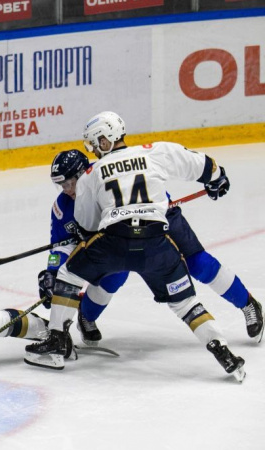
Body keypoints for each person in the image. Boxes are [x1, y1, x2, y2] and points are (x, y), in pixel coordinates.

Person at [26, 111, 246, 381]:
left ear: (104, 141)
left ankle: (57, 342)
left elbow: (88, 224)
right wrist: (217, 176)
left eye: (94, 144)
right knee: (186, 302)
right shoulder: (152, 152)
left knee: (69, 276)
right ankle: (223, 351)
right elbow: (198, 163)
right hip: (157, 240)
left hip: (114, 241)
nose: (93, 150)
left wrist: (70, 257)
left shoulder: (92, 174)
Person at [38, 150, 263, 346]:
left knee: (198, 263)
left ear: (82, 174)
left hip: (159, 217)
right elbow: (62, 244)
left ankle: (247, 304)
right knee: (115, 276)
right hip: (119, 238)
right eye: (61, 185)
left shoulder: (102, 175)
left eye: (69, 183)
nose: (66, 190)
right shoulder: (62, 206)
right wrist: (52, 272)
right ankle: (86, 316)